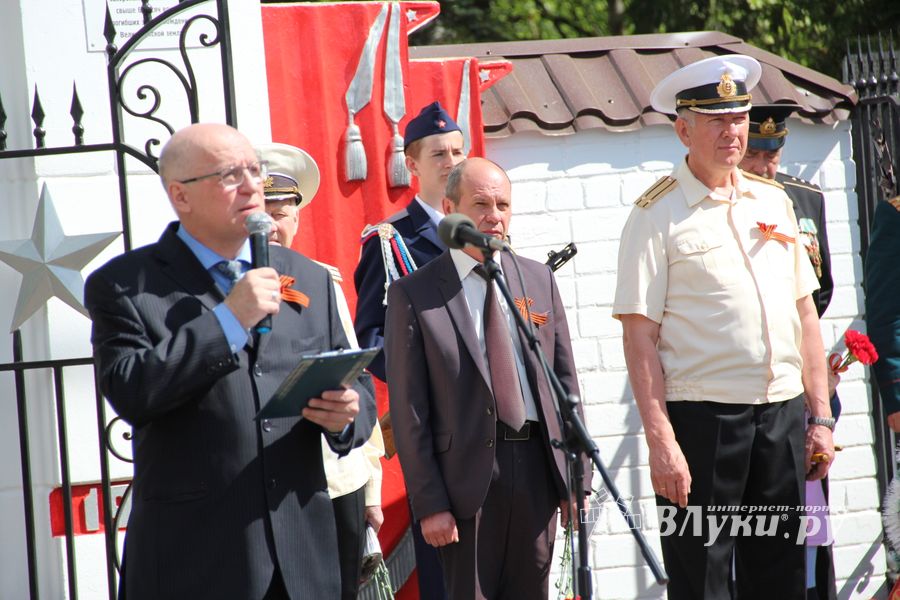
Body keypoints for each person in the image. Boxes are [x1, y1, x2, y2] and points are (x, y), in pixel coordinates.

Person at [84, 123, 376, 600]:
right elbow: (132, 390)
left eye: (254, 171)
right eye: (228, 175)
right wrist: (228, 320)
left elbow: (357, 386)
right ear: (181, 196)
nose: (251, 186)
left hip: (303, 557)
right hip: (196, 559)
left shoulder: (308, 277)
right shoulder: (124, 285)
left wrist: (346, 416)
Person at [613, 56, 835, 599]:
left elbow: (806, 315)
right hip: (702, 423)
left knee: (781, 578)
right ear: (683, 128)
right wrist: (661, 440)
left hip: (781, 416)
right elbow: (639, 338)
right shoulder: (654, 215)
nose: (732, 132)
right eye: (716, 120)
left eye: (738, 118)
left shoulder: (776, 202)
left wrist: (821, 416)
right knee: (702, 580)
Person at [385, 157, 590, 599]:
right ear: (449, 208)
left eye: (502, 204)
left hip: (537, 470)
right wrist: (431, 503)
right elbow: (410, 411)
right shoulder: (414, 294)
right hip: (465, 485)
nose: (493, 216)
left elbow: (566, 385)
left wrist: (577, 480)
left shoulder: (536, 278)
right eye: (480, 203)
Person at [259, 141, 385, 600]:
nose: (272, 225)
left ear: (296, 217)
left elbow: (354, 374)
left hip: (336, 479)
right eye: (262, 210)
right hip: (269, 485)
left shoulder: (320, 280)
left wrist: (372, 486)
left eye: (282, 212)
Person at [353, 100, 465, 597]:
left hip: (495, 426)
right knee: (447, 570)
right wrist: (420, 377)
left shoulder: (481, 230)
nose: (452, 161)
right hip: (436, 427)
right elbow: (369, 337)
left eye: (459, 150)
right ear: (412, 165)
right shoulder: (389, 240)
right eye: (439, 153)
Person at [740, 104, 838, 600]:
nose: (764, 167)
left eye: (772, 155)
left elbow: (820, 294)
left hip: (802, 383)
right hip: (744, 390)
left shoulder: (803, 198)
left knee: (810, 529)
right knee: (755, 532)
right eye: (755, 154)